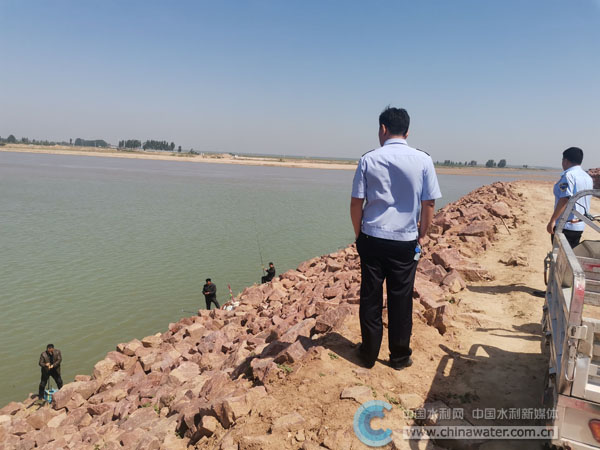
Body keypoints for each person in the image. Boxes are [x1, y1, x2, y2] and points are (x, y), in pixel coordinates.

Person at [350, 107, 441, 370]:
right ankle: (399, 357)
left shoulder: (368, 159)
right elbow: (429, 203)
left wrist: (358, 234)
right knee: (401, 298)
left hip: (372, 237)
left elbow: (356, 202)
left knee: (371, 297)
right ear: (407, 131)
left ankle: (368, 354)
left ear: (383, 128)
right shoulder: (423, 160)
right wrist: (422, 235)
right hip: (405, 241)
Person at [546, 147, 593, 248]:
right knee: (571, 253)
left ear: (566, 161)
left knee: (559, 255)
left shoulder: (569, 176)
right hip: (579, 226)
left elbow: (565, 199)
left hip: (565, 225)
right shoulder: (587, 178)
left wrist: (553, 220)